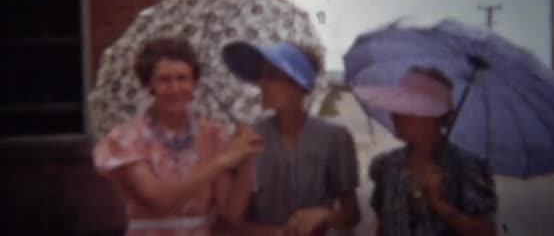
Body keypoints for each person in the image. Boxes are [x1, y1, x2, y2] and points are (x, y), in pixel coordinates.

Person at [93, 37, 261, 236]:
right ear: (149, 84)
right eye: (165, 80)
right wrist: (223, 160)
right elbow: (160, 202)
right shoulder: (127, 138)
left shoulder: (214, 135)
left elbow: (229, 215)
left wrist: (246, 161)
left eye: (182, 78)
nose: (175, 89)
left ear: (193, 83)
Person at [222, 41, 361, 236]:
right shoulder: (251, 138)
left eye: (271, 76)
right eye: (261, 75)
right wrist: (276, 232)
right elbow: (232, 221)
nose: (261, 83)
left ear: (298, 85)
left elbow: (352, 215)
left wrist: (323, 214)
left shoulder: (334, 138)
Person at [353, 67, 497, 236]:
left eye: (405, 110)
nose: (393, 115)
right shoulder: (387, 165)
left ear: (432, 117)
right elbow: (382, 225)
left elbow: (487, 233)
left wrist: (439, 204)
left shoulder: (467, 168)